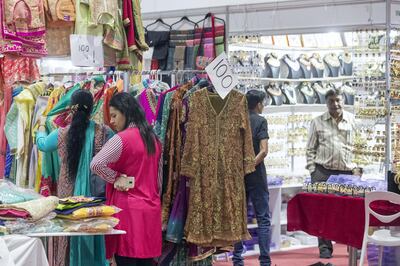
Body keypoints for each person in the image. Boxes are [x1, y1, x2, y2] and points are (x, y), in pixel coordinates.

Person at [36, 89, 113, 266]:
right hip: (95, 195)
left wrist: (41, 126)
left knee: (69, 233)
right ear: (92, 109)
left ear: (71, 109)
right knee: (93, 230)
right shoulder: (103, 132)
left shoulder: (62, 133)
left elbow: (42, 145)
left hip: (68, 195)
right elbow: (120, 148)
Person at [90, 92, 162, 266]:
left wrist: (115, 177)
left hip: (128, 213)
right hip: (150, 211)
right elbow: (158, 180)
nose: (112, 121)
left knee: (126, 260)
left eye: (114, 115)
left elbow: (96, 164)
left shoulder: (122, 139)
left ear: (126, 112)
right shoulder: (154, 139)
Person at [306, 88, 358, 259]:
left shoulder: (352, 120)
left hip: (348, 173)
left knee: (350, 212)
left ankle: (353, 247)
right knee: (323, 212)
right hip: (323, 172)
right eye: (331, 101)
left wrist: (358, 167)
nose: (335, 104)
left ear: (343, 100)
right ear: (326, 103)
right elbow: (310, 149)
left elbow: (360, 145)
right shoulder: (317, 121)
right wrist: (313, 171)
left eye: (338, 100)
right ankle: (325, 249)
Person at [232, 90, 272, 266]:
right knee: (263, 217)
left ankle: (237, 259)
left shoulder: (236, 120)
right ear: (258, 104)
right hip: (256, 174)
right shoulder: (260, 121)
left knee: (239, 218)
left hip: (238, 175)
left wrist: (240, 169)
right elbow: (263, 151)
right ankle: (264, 260)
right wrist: (250, 166)